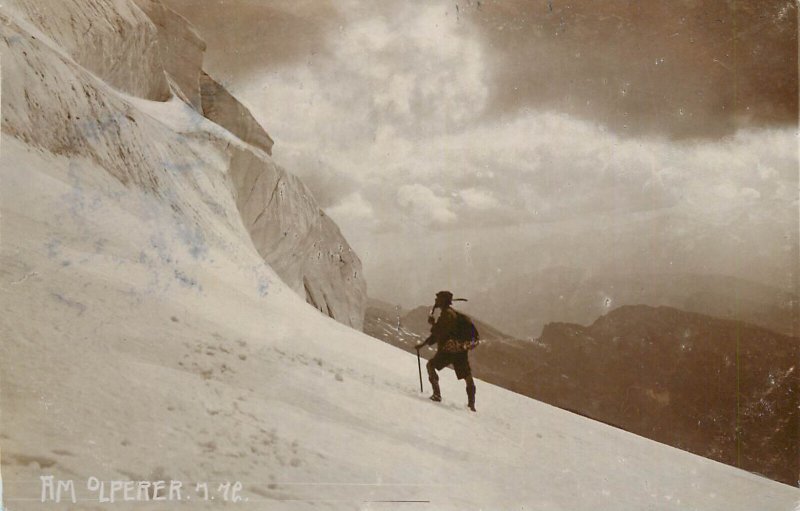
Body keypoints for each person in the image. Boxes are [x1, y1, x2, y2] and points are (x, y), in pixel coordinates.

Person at [415, 291, 477, 412]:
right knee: (467, 376)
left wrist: (432, 324)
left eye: (437, 299)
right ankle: (471, 405)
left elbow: (439, 332)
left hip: (448, 350)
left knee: (431, 365)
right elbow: (441, 332)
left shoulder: (447, 315)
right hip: (459, 350)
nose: (435, 301)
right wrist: (423, 343)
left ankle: (437, 395)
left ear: (443, 301)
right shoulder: (450, 314)